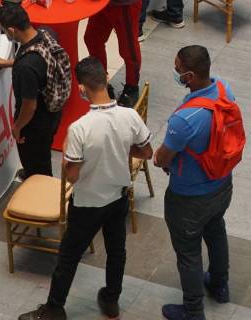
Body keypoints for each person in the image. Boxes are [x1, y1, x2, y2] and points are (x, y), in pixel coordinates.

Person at [18, 58, 152, 320]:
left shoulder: (80, 129)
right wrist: (123, 148)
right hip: (118, 198)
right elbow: (146, 152)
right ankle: (111, 299)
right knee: (117, 251)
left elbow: (72, 177)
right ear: (104, 80)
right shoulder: (130, 115)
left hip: (88, 204)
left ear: (81, 89)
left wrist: (68, 160)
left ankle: (55, 309)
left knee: (68, 257)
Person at [154, 45, 236, 320]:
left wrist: (160, 159)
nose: (175, 71)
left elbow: (162, 158)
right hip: (222, 184)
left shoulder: (184, 119)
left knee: (188, 253)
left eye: (177, 68)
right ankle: (220, 285)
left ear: (189, 75)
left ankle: (193, 310)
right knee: (215, 231)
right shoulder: (224, 89)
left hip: (188, 196)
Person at [0, 2, 71, 178]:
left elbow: (29, 106)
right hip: (53, 111)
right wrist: (9, 63)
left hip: (35, 124)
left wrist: (17, 127)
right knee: (42, 151)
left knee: (37, 162)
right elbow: (42, 63)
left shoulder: (26, 68)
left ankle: (38, 188)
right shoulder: (47, 33)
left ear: (11, 30)